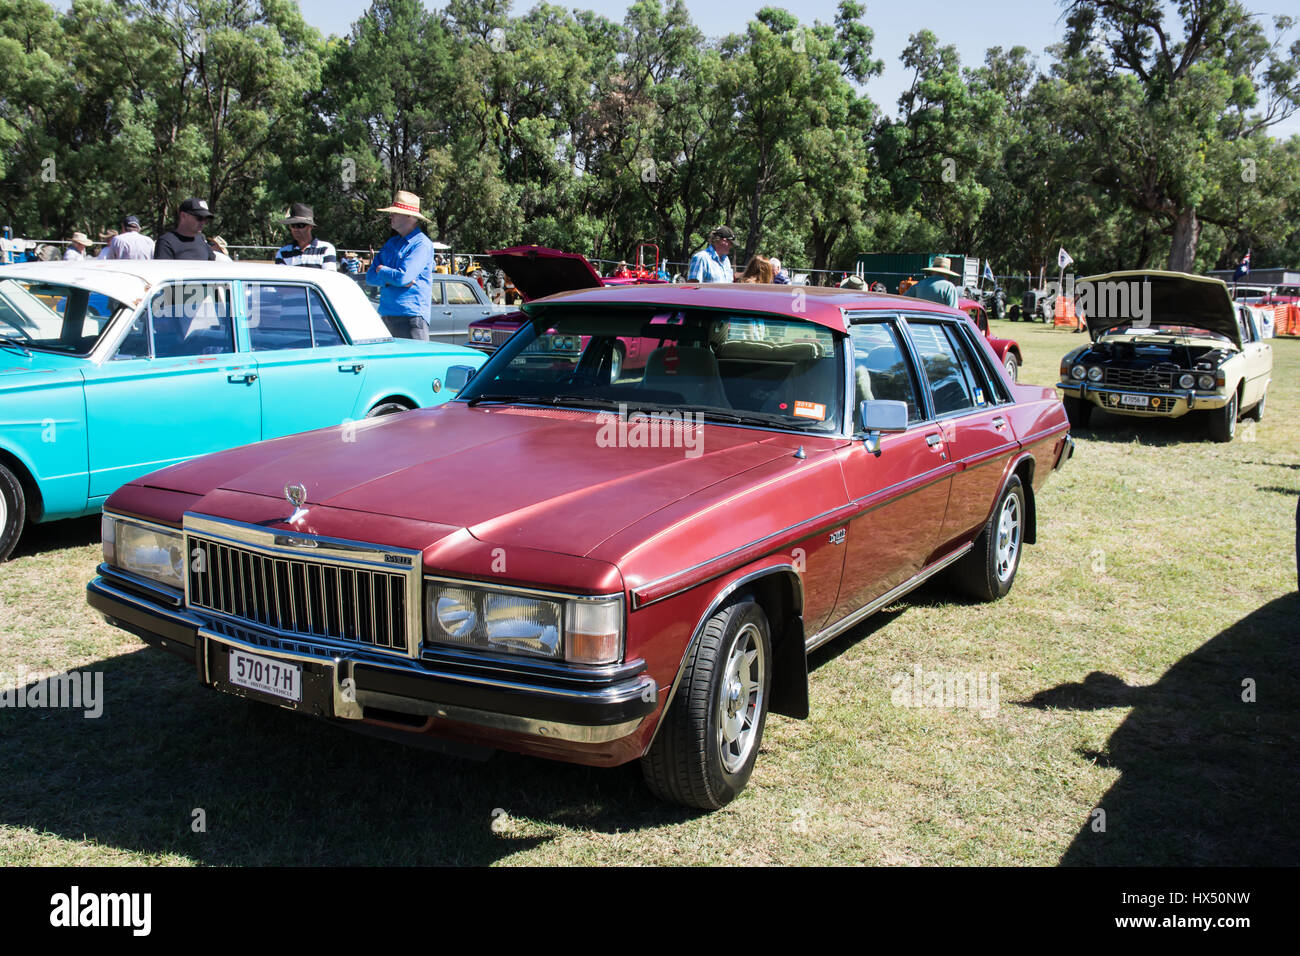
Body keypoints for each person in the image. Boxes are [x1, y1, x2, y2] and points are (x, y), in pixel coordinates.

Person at [366, 190, 436, 340]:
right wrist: (393, 278)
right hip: (387, 315)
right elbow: (370, 277)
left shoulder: (422, 244)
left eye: (395, 213)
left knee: (415, 363)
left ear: (410, 216)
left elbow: (402, 278)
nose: (390, 216)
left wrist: (382, 271)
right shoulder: (391, 243)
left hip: (411, 318)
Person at [274, 202, 337, 270]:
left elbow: (329, 278)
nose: (295, 229)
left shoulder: (325, 249)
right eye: (293, 225)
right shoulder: (282, 253)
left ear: (310, 226)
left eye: (300, 225)